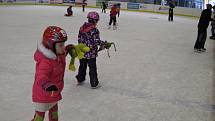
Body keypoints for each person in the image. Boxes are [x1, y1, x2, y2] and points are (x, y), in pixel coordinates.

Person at [31, 26, 74, 121]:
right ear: (50, 45)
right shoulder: (45, 61)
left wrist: (68, 48)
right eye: (61, 45)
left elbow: (62, 55)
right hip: (42, 95)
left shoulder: (58, 53)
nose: (63, 48)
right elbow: (41, 75)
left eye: (63, 44)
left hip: (54, 94)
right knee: (39, 118)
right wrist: (46, 83)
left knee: (54, 116)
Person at [76, 11, 107, 89]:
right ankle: (94, 83)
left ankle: (80, 79)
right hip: (91, 54)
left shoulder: (82, 27)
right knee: (92, 68)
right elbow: (96, 41)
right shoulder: (94, 30)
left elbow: (79, 39)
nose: (97, 22)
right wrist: (103, 44)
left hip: (82, 52)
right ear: (94, 21)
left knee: (82, 66)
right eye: (97, 21)